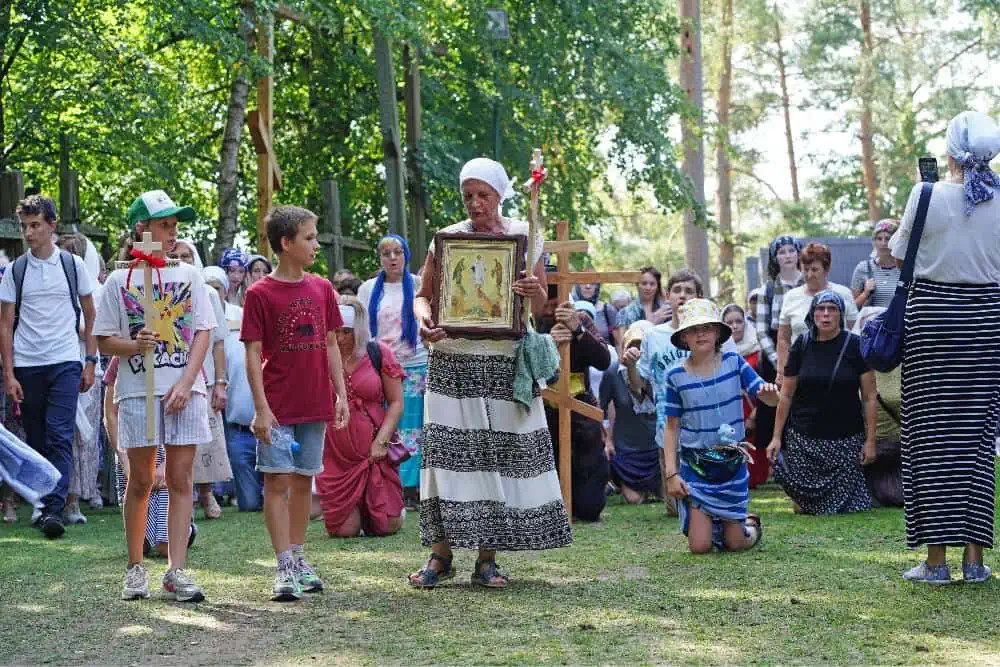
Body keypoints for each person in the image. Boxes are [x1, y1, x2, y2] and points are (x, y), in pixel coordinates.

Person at [408, 157, 571, 590]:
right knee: (447, 459)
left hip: (502, 362)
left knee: (494, 459)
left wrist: (536, 292)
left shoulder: (525, 238)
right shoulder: (448, 240)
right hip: (452, 358)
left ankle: (487, 558)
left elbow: (538, 310)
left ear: (500, 195)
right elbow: (423, 297)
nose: (476, 204)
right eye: (468, 196)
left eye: (483, 195)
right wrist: (425, 322)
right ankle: (440, 555)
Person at [891, 111, 1000, 584]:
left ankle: (936, 562)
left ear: (952, 152)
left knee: (930, 441)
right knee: (977, 440)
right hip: (984, 323)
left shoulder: (926, 193)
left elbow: (899, 254)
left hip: (932, 322)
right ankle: (974, 561)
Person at [95, 189, 214, 602]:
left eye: (174, 226)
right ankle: (134, 568)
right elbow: (103, 341)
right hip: (138, 391)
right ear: (142, 229)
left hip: (184, 391)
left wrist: (186, 384)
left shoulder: (189, 276)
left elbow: (202, 331)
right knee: (142, 479)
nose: (171, 233)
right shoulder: (119, 280)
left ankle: (176, 570)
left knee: (180, 479)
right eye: (164, 225)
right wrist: (133, 345)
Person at [241, 204, 350, 602]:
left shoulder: (322, 288)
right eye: (309, 238)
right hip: (278, 408)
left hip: (315, 403)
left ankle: (300, 557)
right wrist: (261, 407)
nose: (316, 244)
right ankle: (283, 562)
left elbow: (332, 343)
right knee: (277, 480)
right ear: (286, 244)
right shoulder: (259, 294)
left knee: (305, 480)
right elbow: (252, 354)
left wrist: (340, 394)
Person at [0, 195, 98, 538]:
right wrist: (9, 373)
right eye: (25, 226)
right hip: (28, 363)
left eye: (35, 225)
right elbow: (5, 323)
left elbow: (91, 314)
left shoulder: (72, 265)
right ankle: (44, 503)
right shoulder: (16, 270)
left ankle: (54, 509)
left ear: (51, 226)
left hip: (65, 361)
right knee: (37, 436)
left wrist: (90, 360)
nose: (29, 233)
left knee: (59, 433)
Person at [662, 299, 779, 553]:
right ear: (683, 337)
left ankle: (749, 525)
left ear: (717, 333)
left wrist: (771, 393)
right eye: (693, 329)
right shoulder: (674, 376)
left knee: (736, 544)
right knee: (700, 547)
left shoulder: (734, 363)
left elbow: (766, 397)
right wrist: (672, 474)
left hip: (731, 466)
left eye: (707, 327)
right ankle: (712, 525)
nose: (700, 333)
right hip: (696, 469)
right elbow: (671, 427)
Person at [766, 290, 876, 515]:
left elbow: (869, 396)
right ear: (812, 314)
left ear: (840, 314)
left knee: (851, 508)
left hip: (845, 442)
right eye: (820, 309)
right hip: (804, 440)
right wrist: (776, 436)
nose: (826, 315)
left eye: (832, 309)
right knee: (802, 508)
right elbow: (786, 395)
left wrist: (871, 440)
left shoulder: (856, 346)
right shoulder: (801, 346)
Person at [315, 296, 405, 537]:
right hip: (336, 454)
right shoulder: (322, 355)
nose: (341, 338)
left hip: (374, 452)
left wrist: (382, 441)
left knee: (388, 525)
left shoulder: (379, 353)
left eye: (347, 332)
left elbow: (396, 402)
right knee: (345, 531)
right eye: (337, 332)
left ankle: (382, 508)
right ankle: (352, 511)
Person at [356, 235, 427, 511]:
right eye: (386, 253)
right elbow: (363, 331)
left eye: (398, 252)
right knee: (387, 427)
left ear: (406, 255)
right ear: (380, 258)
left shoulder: (419, 285)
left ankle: (416, 488)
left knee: (416, 430)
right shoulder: (368, 289)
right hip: (382, 367)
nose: (393, 258)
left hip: (416, 365)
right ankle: (390, 483)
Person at [104, 356, 197, 557]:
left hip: (168, 444)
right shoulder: (121, 357)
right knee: (141, 544)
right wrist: (125, 461)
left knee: (165, 547)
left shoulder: (180, 352)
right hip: (132, 444)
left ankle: (186, 527)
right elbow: (110, 414)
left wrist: (166, 466)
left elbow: (191, 413)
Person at [174, 240, 232, 519]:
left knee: (206, 443)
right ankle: (181, 498)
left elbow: (219, 342)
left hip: (205, 377)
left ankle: (207, 495)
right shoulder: (166, 290)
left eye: (187, 255)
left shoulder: (208, 293)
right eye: (177, 256)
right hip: (171, 376)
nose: (182, 259)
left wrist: (221, 383)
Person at [541, 296, 612, 522]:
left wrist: (578, 330)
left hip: (581, 411)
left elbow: (603, 360)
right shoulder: (528, 321)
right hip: (541, 411)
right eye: (548, 303)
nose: (554, 309)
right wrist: (545, 344)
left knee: (589, 507)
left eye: (557, 302)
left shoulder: (580, 318)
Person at [53, 234, 102, 525]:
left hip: (88, 365)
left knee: (87, 437)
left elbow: (97, 329)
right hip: (61, 364)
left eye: (72, 254)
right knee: (64, 436)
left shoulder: (95, 290)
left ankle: (82, 496)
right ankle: (63, 498)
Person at [753, 236, 804, 496]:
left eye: (791, 251)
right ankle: (776, 465)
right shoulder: (767, 290)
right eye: (781, 252)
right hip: (774, 357)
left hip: (805, 353)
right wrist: (779, 363)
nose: (787, 256)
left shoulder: (808, 284)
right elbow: (761, 331)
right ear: (775, 258)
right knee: (774, 410)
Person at [776, 242, 857, 383]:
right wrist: (782, 370)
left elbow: (854, 332)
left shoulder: (843, 294)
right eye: (805, 269)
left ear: (826, 270)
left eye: (814, 269)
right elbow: (783, 337)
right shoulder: (791, 297)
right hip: (801, 369)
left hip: (839, 368)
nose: (809, 274)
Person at [601, 321, 659, 504]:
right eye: (633, 346)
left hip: (656, 447)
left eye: (643, 347)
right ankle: (619, 482)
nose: (637, 352)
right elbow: (599, 409)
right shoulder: (613, 373)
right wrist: (606, 441)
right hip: (627, 450)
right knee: (635, 500)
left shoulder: (660, 371)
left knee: (667, 497)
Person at [722, 303, 767, 488]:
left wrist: (754, 416)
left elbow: (764, 384)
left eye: (739, 321)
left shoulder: (758, 350)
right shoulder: (718, 353)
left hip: (753, 408)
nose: (734, 326)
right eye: (729, 322)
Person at [851, 220, 901, 309]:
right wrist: (865, 293)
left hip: (897, 322)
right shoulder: (864, 268)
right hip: (872, 321)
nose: (883, 243)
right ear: (874, 241)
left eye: (888, 239)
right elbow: (852, 309)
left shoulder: (904, 269)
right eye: (879, 239)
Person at [615, 266, 670, 339]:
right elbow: (623, 343)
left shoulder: (666, 310)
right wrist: (649, 323)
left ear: (657, 286)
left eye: (652, 284)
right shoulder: (625, 313)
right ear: (637, 285)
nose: (648, 287)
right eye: (644, 283)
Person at [573, 272, 618, 347]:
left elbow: (618, 343)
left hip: (604, 355)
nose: (588, 286)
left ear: (597, 286)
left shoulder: (608, 310)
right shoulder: (570, 308)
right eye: (583, 282)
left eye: (592, 283)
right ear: (578, 285)